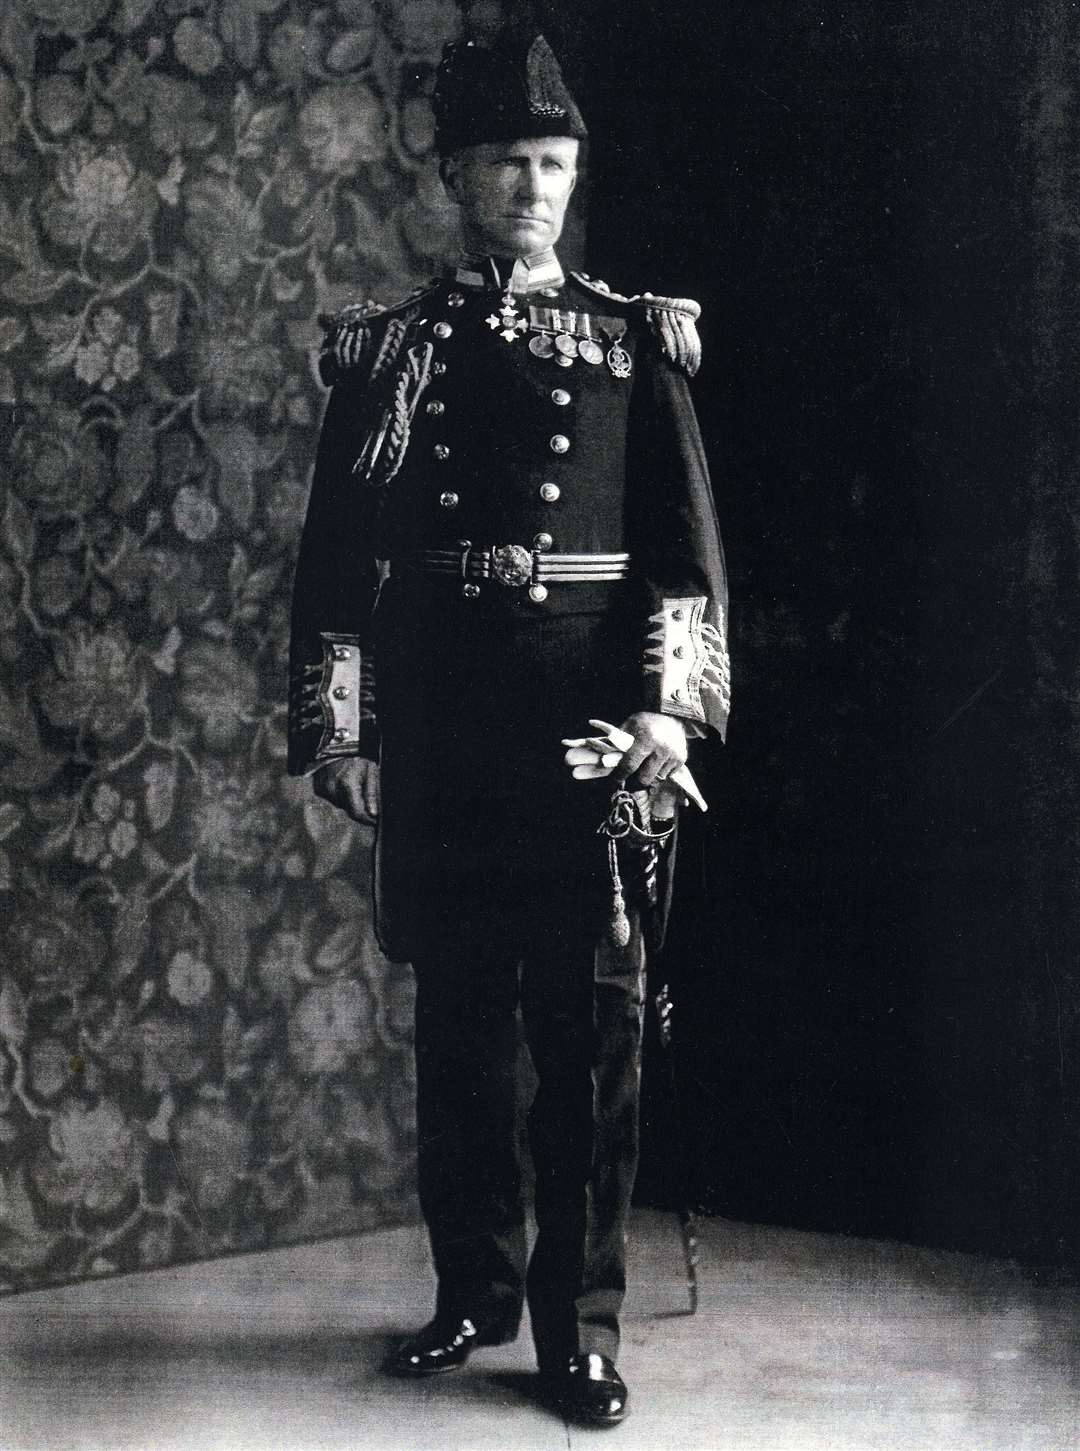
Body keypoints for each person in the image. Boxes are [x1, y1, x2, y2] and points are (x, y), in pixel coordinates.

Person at [287, 29, 729, 1427]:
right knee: (463, 1030)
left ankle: (580, 1330)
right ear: (458, 180)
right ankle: (472, 1292)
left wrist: (669, 706)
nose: (533, 189)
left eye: (553, 167)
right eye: (507, 167)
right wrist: (344, 730)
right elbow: (335, 559)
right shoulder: (392, 349)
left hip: (586, 735)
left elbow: (684, 550)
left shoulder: (628, 337)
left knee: (592, 1034)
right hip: (446, 729)